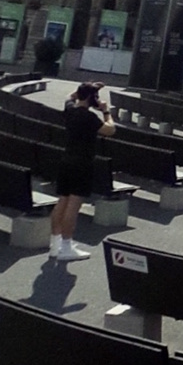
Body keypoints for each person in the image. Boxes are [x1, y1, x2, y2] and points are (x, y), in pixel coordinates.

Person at [50, 82, 115, 261]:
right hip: (82, 164)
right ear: (90, 98)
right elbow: (110, 130)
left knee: (62, 201)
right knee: (73, 205)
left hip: (66, 160)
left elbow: (70, 97)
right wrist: (106, 111)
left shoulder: (70, 109)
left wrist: (91, 89)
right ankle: (66, 246)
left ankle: (55, 245)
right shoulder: (89, 117)